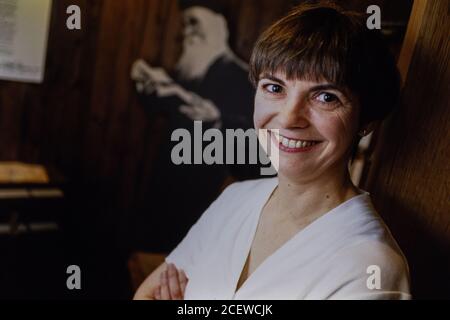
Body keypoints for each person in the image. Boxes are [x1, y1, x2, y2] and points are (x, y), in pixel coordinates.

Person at [134, 2, 411, 300]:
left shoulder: (370, 268)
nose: (289, 118)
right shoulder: (235, 199)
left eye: (326, 97)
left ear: (366, 121)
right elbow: (146, 294)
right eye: (275, 88)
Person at [130, 1, 261, 254]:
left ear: (218, 25)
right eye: (185, 23)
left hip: (204, 214)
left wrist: (219, 121)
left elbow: (254, 156)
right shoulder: (190, 73)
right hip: (166, 200)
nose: (187, 31)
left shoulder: (244, 81)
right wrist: (145, 80)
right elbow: (162, 107)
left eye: (194, 23)